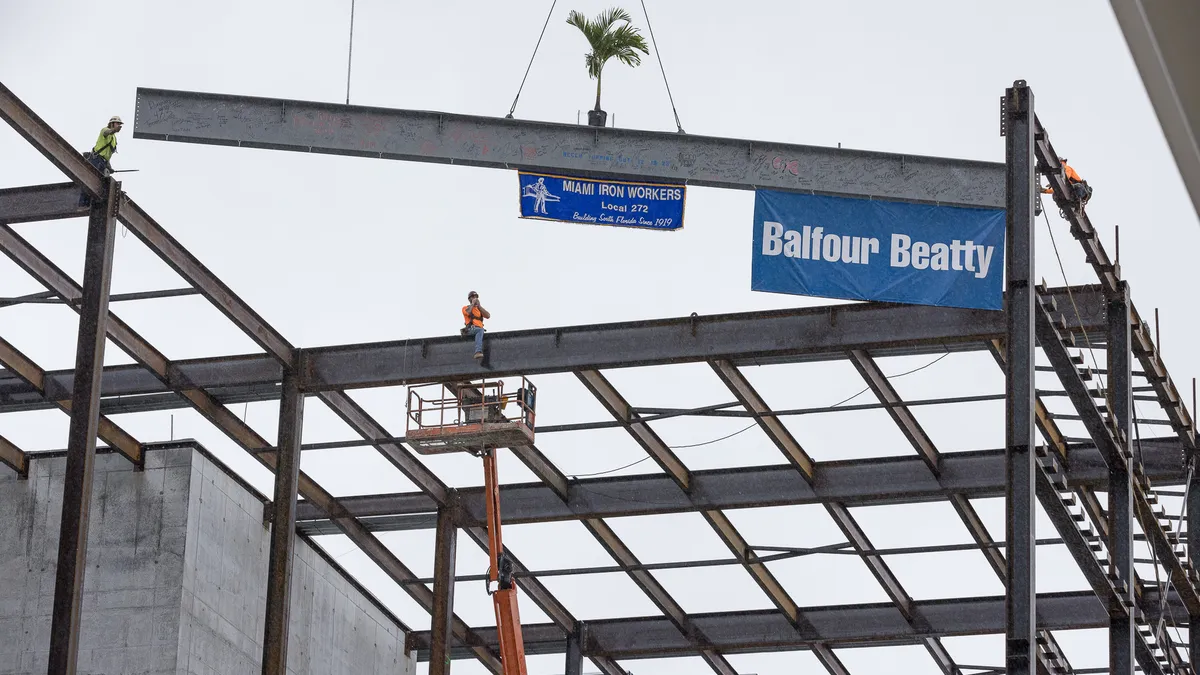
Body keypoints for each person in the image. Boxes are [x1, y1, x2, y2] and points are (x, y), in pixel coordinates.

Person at [78, 116, 123, 206]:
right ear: (112, 123)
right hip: (96, 159)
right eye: (117, 123)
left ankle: (94, 205)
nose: (119, 125)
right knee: (90, 180)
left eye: (119, 124)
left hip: (103, 163)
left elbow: (107, 155)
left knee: (100, 185)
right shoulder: (105, 130)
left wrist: (109, 167)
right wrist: (114, 130)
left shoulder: (114, 139)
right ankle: (83, 204)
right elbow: (107, 132)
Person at [461, 291, 491, 359]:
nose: (475, 298)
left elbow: (488, 315)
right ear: (469, 299)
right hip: (470, 329)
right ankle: (478, 352)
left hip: (479, 329)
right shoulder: (465, 308)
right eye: (473, 297)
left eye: (476, 297)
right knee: (480, 330)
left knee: (480, 330)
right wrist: (472, 304)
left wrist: (479, 306)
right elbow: (468, 312)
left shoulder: (479, 309)